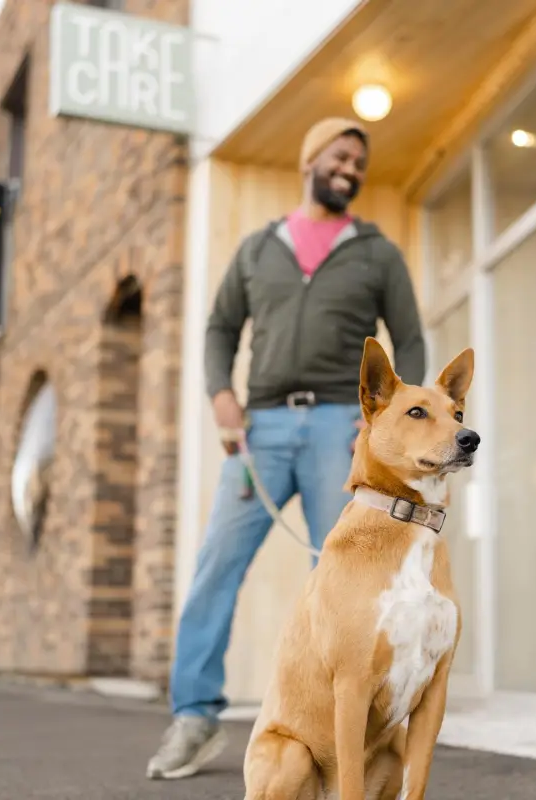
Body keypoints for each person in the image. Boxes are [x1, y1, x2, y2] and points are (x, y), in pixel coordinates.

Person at [146, 117, 427, 780]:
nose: (351, 168)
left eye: (359, 161)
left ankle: (352, 721)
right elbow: (219, 328)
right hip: (261, 430)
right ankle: (193, 716)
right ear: (310, 160)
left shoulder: (376, 252)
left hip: (343, 429)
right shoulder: (256, 249)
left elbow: (409, 341)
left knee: (348, 579)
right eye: (340, 155)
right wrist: (222, 396)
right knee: (217, 563)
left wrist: (385, 423)